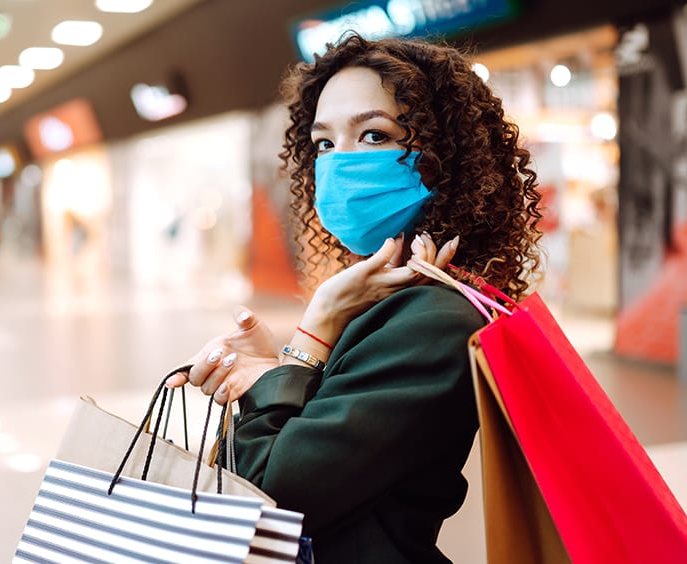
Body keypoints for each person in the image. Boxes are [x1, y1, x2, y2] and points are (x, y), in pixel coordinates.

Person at [166, 33, 543, 562]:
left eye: (373, 135)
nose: (340, 162)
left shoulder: (434, 316)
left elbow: (262, 501)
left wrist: (312, 332)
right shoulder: (397, 298)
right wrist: (271, 372)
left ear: (446, 158)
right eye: (324, 143)